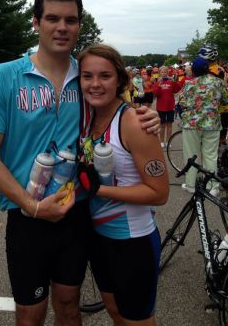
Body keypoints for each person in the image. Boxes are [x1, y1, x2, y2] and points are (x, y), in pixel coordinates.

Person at [0, 0, 161, 326]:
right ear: (36, 22)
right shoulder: (5, 77)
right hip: (26, 214)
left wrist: (143, 114)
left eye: (71, 20)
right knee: (30, 315)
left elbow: (115, 105)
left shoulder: (85, 76)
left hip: (75, 214)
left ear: (79, 24)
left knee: (69, 305)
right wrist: (31, 205)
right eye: (52, 19)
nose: (62, 27)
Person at [77, 44, 169, 326]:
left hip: (132, 241)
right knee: (115, 311)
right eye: (87, 76)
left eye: (104, 76)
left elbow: (159, 192)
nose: (95, 84)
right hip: (99, 238)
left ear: (120, 80)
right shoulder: (88, 116)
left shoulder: (134, 122)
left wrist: (99, 190)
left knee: (136, 321)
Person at [179, 56, 228, 195]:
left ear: (194, 70)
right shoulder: (218, 82)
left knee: (191, 154)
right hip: (212, 123)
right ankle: (212, 186)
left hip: (192, 123)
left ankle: (190, 184)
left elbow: (182, 103)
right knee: (210, 155)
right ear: (207, 68)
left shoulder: (189, 84)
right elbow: (227, 100)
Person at [153, 66, 182, 148]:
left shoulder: (171, 82)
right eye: (162, 72)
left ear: (167, 73)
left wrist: (174, 81)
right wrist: (159, 84)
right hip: (161, 107)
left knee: (169, 124)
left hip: (170, 106)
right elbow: (155, 94)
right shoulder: (157, 82)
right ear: (160, 73)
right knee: (162, 125)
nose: (164, 74)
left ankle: (168, 141)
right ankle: (161, 141)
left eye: (165, 72)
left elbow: (178, 89)